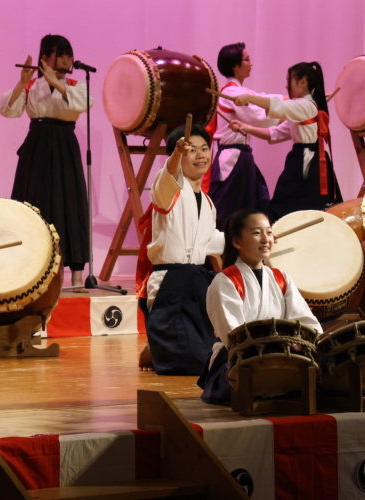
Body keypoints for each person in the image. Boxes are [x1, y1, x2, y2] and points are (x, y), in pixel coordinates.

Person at [198, 208, 322, 405]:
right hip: (237, 360)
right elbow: (233, 336)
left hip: (282, 354)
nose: (266, 239)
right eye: (256, 233)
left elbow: (307, 323)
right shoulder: (225, 281)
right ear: (237, 242)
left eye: (269, 232)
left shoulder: (281, 278)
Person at [0, 34, 90, 287]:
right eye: (61, 55)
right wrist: (21, 84)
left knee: (69, 203)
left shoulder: (74, 83)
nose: (67, 60)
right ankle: (30, 271)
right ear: (45, 58)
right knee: (33, 201)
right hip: (37, 144)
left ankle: (78, 274)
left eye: (69, 55)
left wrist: (57, 83)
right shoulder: (31, 86)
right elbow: (6, 109)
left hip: (64, 144)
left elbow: (86, 103)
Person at [135, 124, 224, 375]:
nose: (201, 155)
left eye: (205, 149)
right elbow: (170, 176)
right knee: (193, 363)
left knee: (213, 359)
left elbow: (210, 242)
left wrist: (250, 237)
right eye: (191, 150)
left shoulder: (208, 203)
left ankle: (156, 346)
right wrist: (176, 154)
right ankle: (157, 345)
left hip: (197, 286)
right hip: (169, 287)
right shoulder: (167, 190)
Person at [229, 61, 342, 222]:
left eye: (288, 80)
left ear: (303, 82)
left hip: (308, 163)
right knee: (292, 207)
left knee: (293, 207)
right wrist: (245, 127)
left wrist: (249, 98)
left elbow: (279, 106)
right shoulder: (301, 109)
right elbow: (274, 133)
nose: (285, 86)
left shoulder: (306, 106)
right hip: (304, 160)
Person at [205, 42, 280, 229]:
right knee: (227, 213)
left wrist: (300, 100)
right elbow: (259, 117)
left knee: (256, 205)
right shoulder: (232, 92)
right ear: (235, 66)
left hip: (242, 156)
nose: (251, 63)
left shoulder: (241, 91)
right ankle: (217, 256)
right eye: (247, 60)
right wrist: (293, 110)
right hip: (233, 158)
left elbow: (265, 98)